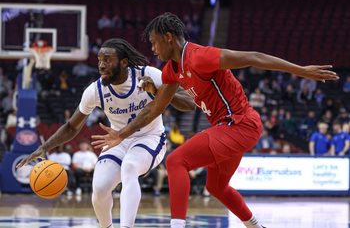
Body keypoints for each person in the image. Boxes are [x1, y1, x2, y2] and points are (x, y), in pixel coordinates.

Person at [90, 13, 339, 228]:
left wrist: (300, 70)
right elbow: (156, 109)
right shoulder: (171, 70)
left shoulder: (200, 57)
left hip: (240, 124)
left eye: (154, 42)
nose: (152, 49)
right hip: (227, 128)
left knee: (177, 160)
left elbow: (252, 56)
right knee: (216, 187)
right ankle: (254, 225)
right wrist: (121, 134)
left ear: (168, 37)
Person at [16, 38, 195, 228]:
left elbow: (190, 103)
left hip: (150, 138)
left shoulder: (149, 74)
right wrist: (43, 148)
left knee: (130, 166)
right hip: (118, 141)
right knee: (99, 189)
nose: (101, 65)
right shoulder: (95, 91)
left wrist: (160, 92)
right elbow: (71, 127)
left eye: (107, 60)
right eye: (100, 60)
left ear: (124, 62)